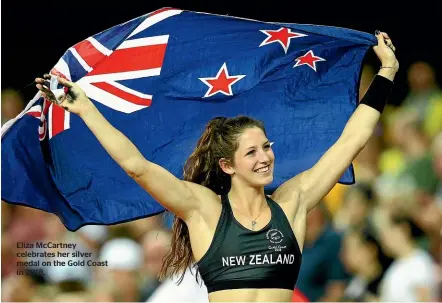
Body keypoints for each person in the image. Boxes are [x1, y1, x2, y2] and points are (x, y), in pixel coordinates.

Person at [35, 31, 398, 302]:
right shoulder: (204, 210)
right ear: (227, 165)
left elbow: (353, 139)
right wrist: (85, 108)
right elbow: (137, 166)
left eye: (266, 147)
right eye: (252, 152)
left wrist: (387, 72)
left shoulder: (294, 202)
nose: (265, 157)